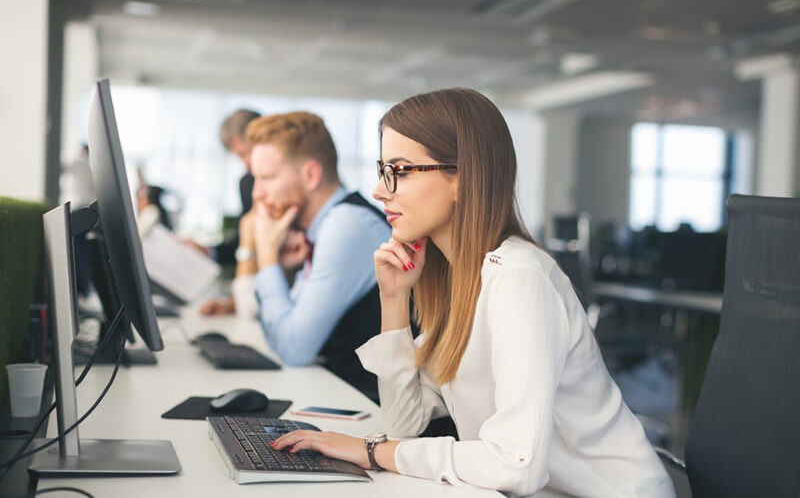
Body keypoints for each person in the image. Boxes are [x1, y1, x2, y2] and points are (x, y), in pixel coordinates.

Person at [270, 88, 675, 498]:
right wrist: (393, 301)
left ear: (463, 179)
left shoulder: (519, 277)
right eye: (383, 169)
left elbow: (515, 464)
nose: (380, 190)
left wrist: (372, 452)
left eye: (400, 170)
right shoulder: (460, 277)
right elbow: (404, 423)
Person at [243, 111, 390, 402]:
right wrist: (282, 273)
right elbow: (280, 332)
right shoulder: (321, 229)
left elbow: (294, 347)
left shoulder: (346, 225)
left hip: (378, 414)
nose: (257, 193)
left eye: (267, 178)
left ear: (310, 175)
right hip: (350, 397)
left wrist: (267, 256)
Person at [199, 109, 261, 316]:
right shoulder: (247, 183)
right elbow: (247, 241)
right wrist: (208, 251)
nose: (246, 163)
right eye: (239, 156)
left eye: (247, 152)